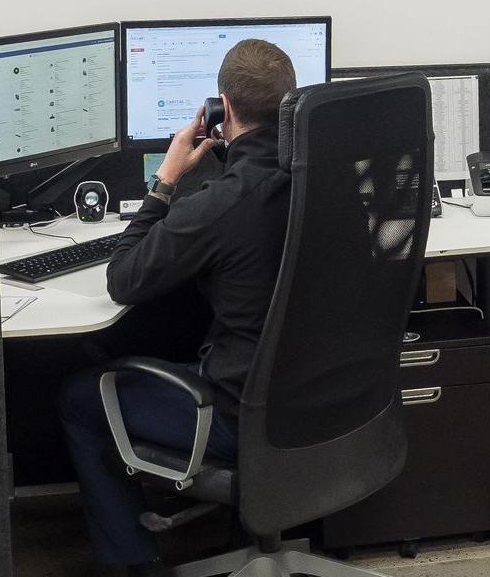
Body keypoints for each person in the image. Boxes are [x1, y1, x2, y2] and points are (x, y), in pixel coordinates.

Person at [58, 39, 296, 577]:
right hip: (330, 403)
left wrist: (165, 179)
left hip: (243, 418)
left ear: (221, 108)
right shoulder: (331, 179)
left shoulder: (220, 202)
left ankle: (135, 564)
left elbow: (123, 279)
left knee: (79, 394)